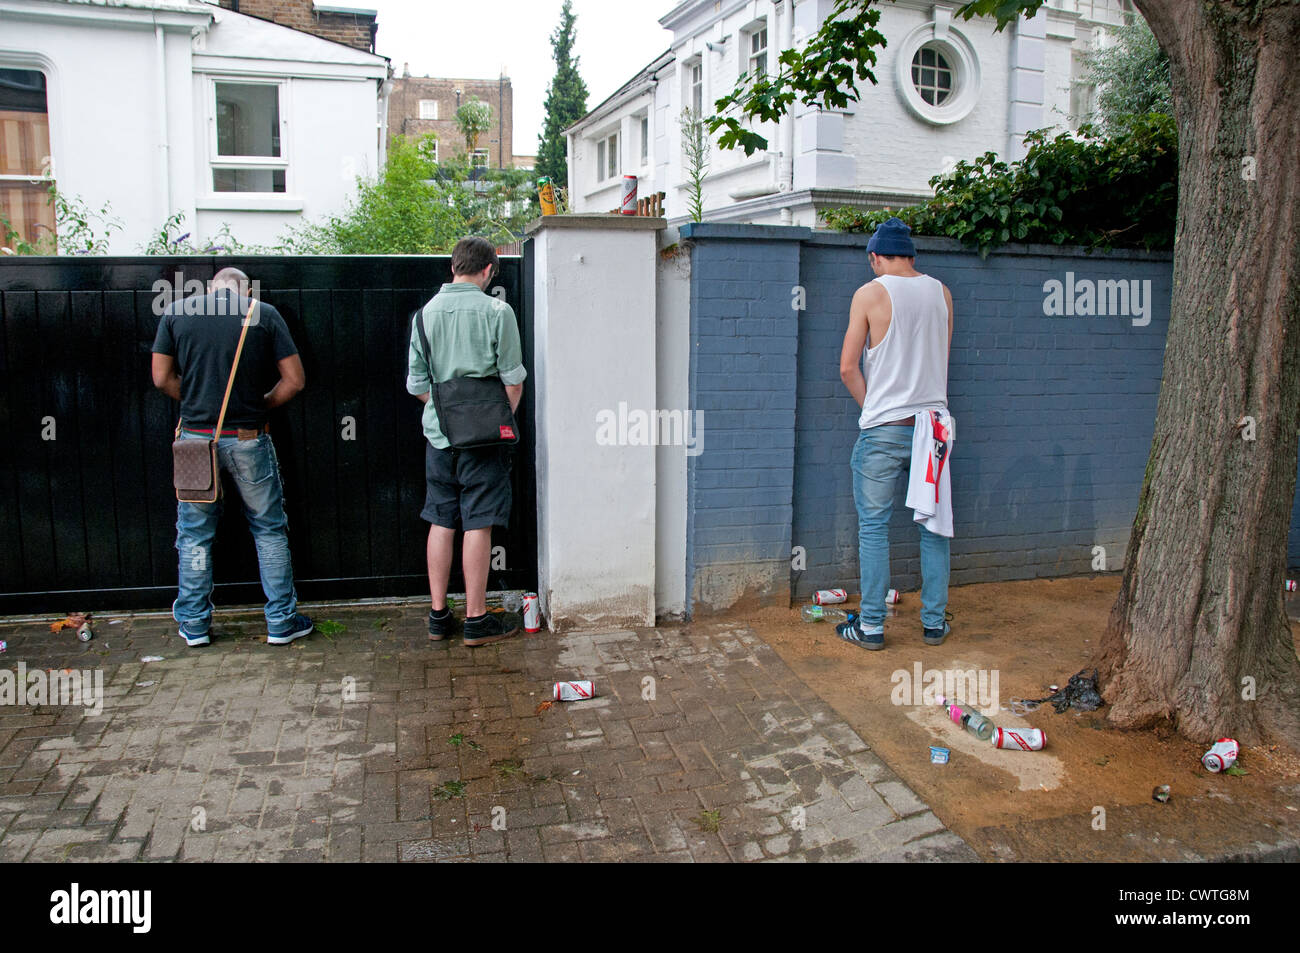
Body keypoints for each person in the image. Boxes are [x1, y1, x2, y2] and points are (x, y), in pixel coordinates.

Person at [151, 267, 312, 647]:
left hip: (195, 441)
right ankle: (281, 621)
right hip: (248, 438)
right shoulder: (263, 313)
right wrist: (260, 406)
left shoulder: (176, 312)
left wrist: (192, 403)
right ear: (244, 290)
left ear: (211, 288)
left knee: (194, 535)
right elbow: (295, 379)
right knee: (269, 529)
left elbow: (160, 378)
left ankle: (193, 624)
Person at [836, 218, 955, 651]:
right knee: (934, 527)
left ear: (875, 257)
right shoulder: (941, 293)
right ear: (911, 256)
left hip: (885, 428)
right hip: (933, 428)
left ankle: (870, 627)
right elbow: (939, 360)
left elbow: (848, 368)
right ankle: (934, 624)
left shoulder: (870, 293)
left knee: (874, 529)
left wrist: (876, 410)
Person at [407, 237, 526, 646]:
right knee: (479, 521)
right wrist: (492, 421)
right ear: (489, 269)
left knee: (441, 518)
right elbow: (513, 380)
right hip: (485, 441)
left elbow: (417, 385)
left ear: (453, 267)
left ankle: (438, 616)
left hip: (439, 438)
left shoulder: (423, 316)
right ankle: (476, 620)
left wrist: (447, 413)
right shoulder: (498, 311)